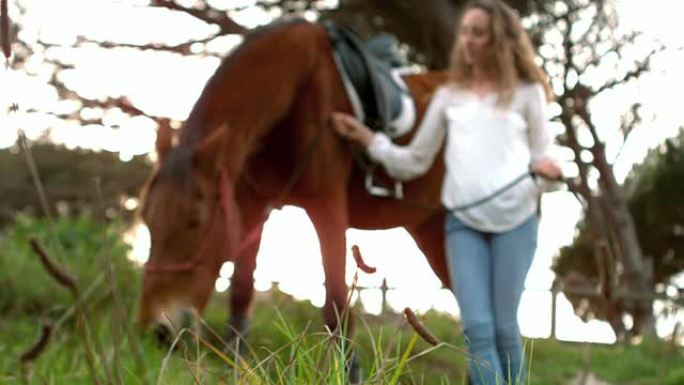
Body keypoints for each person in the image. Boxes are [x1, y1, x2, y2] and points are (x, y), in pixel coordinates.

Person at [332, 1, 561, 384]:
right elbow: (413, 162)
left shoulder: (527, 94)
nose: (468, 41)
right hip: (463, 225)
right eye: (465, 32)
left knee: (504, 328)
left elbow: (545, 159)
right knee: (477, 329)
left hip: (516, 223)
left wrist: (550, 172)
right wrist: (370, 140)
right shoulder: (449, 96)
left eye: (478, 33)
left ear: (500, 39)